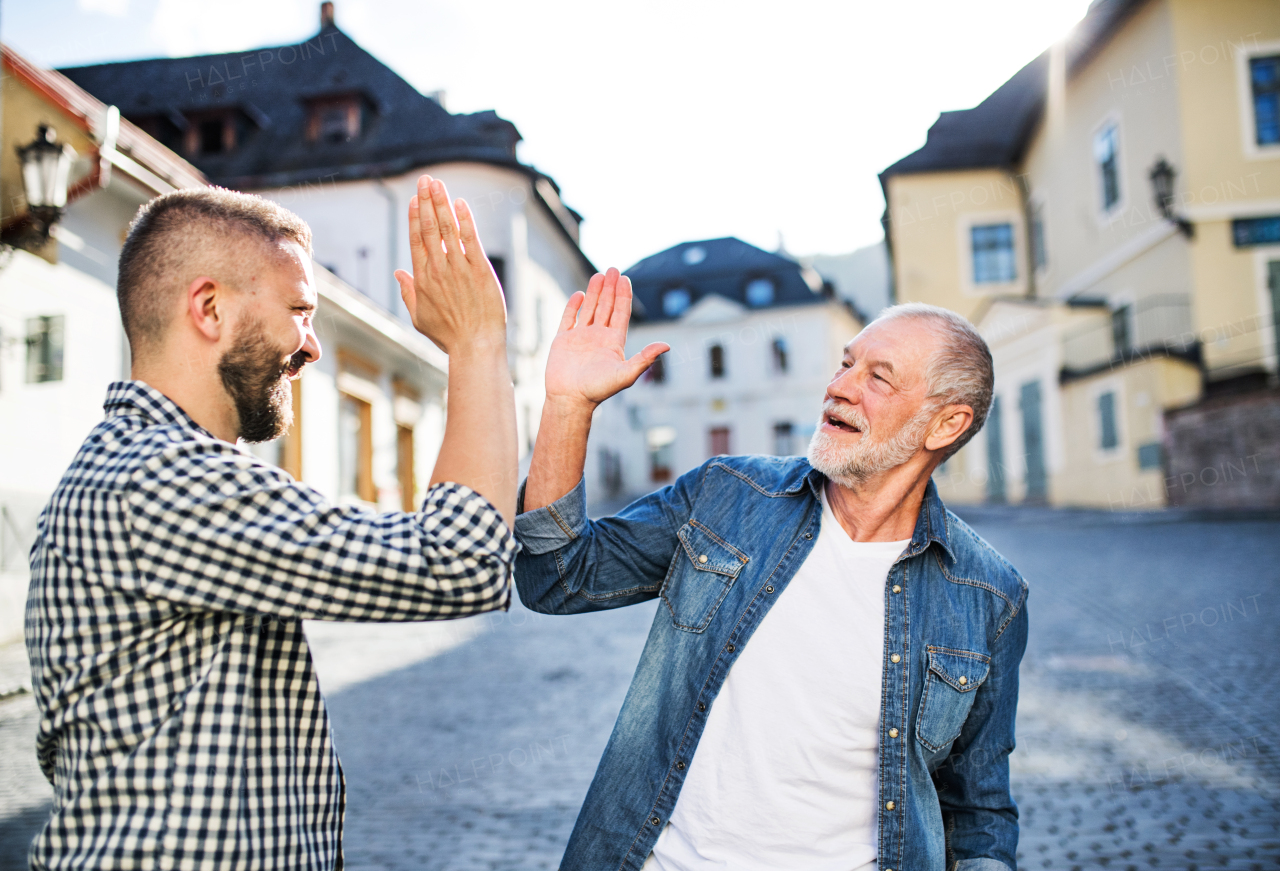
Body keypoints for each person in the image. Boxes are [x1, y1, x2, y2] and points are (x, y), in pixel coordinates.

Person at [25, 177, 517, 870]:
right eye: (299, 309)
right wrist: (477, 344)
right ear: (209, 308)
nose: (311, 346)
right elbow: (459, 560)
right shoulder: (163, 479)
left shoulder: (140, 468)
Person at [515, 272, 1028, 871]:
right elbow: (558, 577)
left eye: (878, 377)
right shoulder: (726, 496)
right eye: (844, 364)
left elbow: (979, 809)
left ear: (945, 425)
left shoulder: (989, 595)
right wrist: (567, 407)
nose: (839, 387)